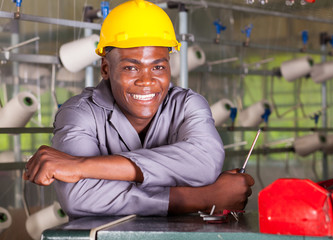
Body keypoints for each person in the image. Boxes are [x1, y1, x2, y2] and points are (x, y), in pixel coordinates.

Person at [24, 0, 254, 218]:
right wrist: (201, 197)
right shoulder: (79, 113)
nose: (147, 81)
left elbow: (204, 163)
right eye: (131, 68)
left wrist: (82, 166)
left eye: (158, 67)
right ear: (106, 68)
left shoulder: (187, 105)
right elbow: (80, 198)